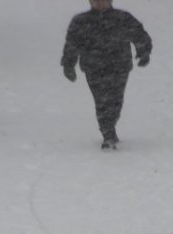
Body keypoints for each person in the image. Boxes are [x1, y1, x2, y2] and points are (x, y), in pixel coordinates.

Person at [61, 0, 152, 150]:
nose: (99, 3)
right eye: (95, 0)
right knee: (101, 100)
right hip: (93, 67)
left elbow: (139, 35)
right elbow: (71, 43)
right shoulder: (81, 21)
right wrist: (68, 64)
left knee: (116, 99)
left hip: (119, 66)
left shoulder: (122, 18)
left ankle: (111, 124)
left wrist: (144, 52)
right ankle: (108, 133)